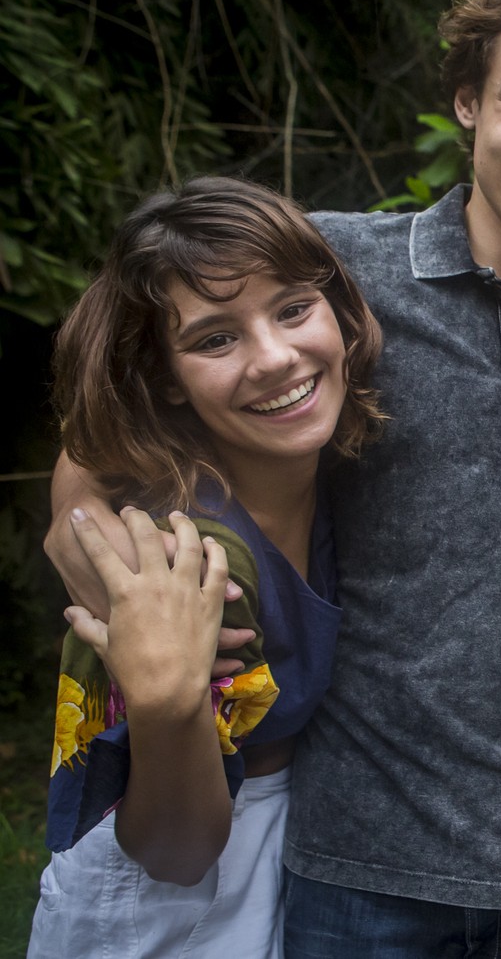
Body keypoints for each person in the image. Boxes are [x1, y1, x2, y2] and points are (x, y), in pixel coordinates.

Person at [43, 0, 501, 957]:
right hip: (354, 864)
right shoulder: (335, 278)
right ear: (467, 101)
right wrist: (123, 590)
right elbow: (98, 435)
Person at [30, 177, 384, 958]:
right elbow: (173, 848)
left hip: (277, 858)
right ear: (165, 378)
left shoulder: (318, 468)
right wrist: (166, 700)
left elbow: (85, 451)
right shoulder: (181, 561)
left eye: (293, 307)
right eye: (215, 338)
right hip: (165, 903)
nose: (275, 357)